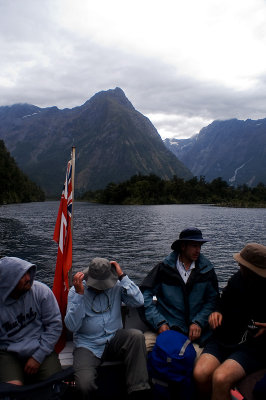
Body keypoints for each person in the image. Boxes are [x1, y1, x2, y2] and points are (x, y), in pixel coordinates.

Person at [64, 257, 151, 400]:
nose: (100, 288)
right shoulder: (76, 291)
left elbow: (139, 301)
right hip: (87, 345)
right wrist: (79, 296)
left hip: (113, 338)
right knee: (84, 385)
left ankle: (139, 391)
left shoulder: (116, 286)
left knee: (136, 336)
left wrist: (123, 276)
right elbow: (72, 326)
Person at [193, 243, 266, 400]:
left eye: (243, 264)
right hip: (223, 338)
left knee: (221, 377)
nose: (239, 265)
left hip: (251, 347)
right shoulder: (237, 279)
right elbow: (222, 301)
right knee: (200, 373)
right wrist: (217, 312)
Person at [140, 227, 219, 351]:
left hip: (195, 336)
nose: (198, 250)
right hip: (165, 329)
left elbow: (212, 301)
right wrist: (159, 323)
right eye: (194, 246)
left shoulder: (207, 270)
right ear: (183, 246)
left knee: (198, 366)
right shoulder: (164, 268)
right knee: (141, 348)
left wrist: (198, 322)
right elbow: (146, 295)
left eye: (200, 246)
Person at [0, 256, 62, 385]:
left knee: (53, 386)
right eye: (22, 276)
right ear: (9, 281)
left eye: (28, 273)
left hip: (40, 347)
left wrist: (38, 357)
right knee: (13, 390)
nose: (28, 278)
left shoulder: (41, 292)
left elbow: (54, 325)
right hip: (7, 352)